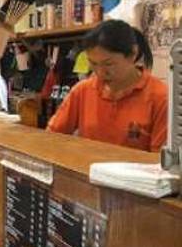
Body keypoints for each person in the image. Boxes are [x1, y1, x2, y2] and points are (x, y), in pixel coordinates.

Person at [48, 20, 168, 152]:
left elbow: (159, 160)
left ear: (133, 54)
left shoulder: (161, 97)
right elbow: (51, 137)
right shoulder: (82, 90)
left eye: (109, 64)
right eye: (93, 64)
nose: (100, 73)